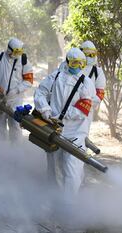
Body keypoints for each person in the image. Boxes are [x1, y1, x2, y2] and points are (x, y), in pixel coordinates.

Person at [34, 48, 95, 201]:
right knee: (54, 170)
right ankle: (55, 203)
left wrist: (65, 115)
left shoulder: (86, 83)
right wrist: (45, 110)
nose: (77, 66)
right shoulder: (55, 77)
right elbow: (40, 93)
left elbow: (83, 108)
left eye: (81, 63)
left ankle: (69, 206)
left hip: (75, 133)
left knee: (72, 170)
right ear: (67, 62)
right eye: (74, 62)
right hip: (54, 130)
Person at [0, 38, 33, 142]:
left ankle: (15, 153)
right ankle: (0, 153)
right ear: (9, 50)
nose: (17, 54)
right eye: (15, 52)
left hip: (15, 100)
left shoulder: (24, 61)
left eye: (19, 52)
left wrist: (16, 90)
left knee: (15, 127)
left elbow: (29, 81)